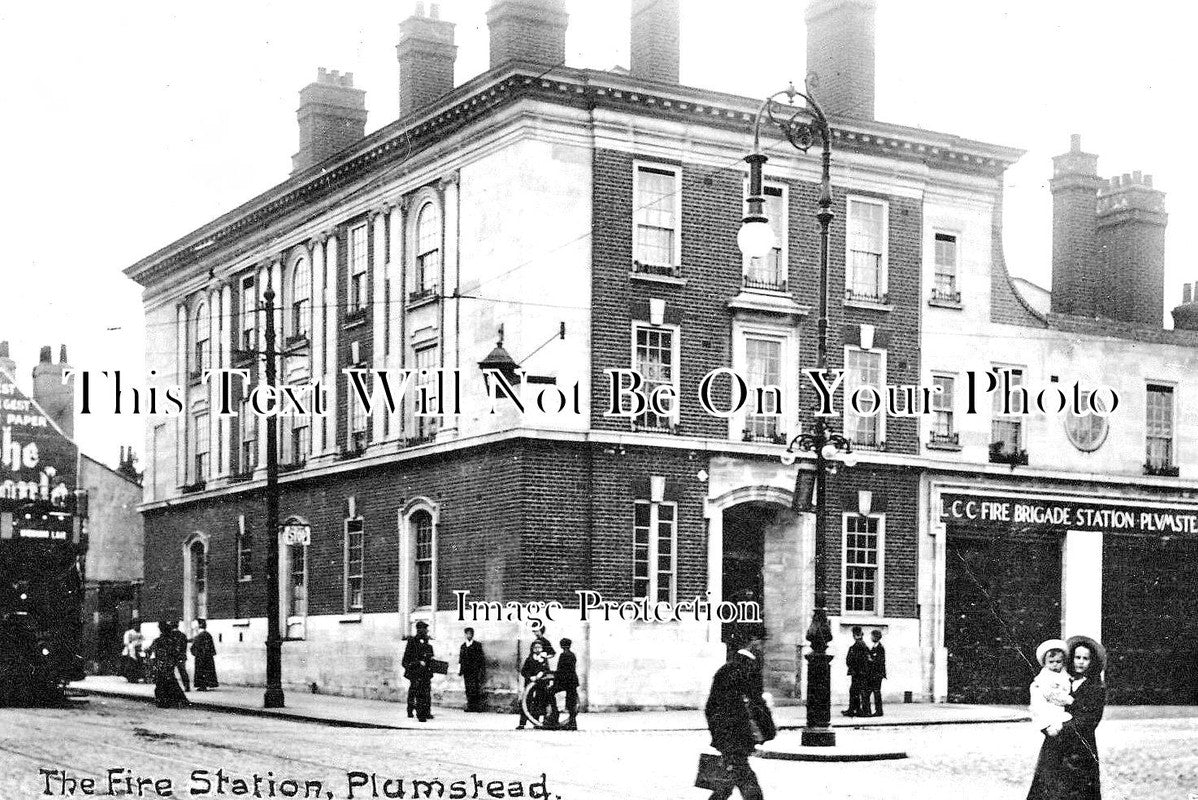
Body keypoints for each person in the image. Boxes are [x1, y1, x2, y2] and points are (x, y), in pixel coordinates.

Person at [1027, 635, 1107, 800]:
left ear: (1092, 662)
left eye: (1086, 658)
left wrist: (1063, 727)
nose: (1080, 662)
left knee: (1077, 790)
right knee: (1049, 788)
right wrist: (1047, 726)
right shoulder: (1062, 679)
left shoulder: (1096, 687)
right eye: (1077, 657)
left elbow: (1090, 719)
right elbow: (1044, 704)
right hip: (1054, 745)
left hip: (1080, 748)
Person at [703, 632, 772, 800]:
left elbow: (710, 706)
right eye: (761, 643)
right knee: (746, 783)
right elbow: (757, 704)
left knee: (727, 783)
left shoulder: (725, 669)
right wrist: (768, 731)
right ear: (752, 642)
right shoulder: (750, 668)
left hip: (726, 737)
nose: (762, 648)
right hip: (740, 737)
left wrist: (717, 733)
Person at [1029, 638, 1072, 734]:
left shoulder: (1064, 674)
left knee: (1061, 717)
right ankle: (1051, 727)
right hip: (1050, 702)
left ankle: (1056, 727)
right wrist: (1066, 699)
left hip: (1060, 703)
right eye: (1051, 662)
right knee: (1048, 715)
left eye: (1058, 661)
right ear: (1045, 662)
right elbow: (1047, 692)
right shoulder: (1045, 675)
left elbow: (1067, 684)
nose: (1055, 665)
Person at [146, 621, 188, 708]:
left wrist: (152, 661)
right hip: (169, 664)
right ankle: (177, 700)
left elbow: (149, 651)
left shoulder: (157, 641)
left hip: (160, 664)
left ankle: (163, 701)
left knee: (161, 682)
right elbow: (175, 653)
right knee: (170, 681)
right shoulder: (171, 641)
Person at [402, 621, 435, 722]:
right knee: (414, 692)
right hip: (415, 673)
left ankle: (426, 712)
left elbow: (429, 657)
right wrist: (418, 663)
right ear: (419, 630)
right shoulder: (412, 642)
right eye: (424, 630)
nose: (426, 632)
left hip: (425, 673)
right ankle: (411, 710)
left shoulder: (427, 643)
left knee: (426, 692)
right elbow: (406, 660)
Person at [516, 640, 553, 730]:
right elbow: (523, 671)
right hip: (530, 683)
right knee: (526, 701)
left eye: (539, 648)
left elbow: (547, 670)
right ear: (532, 649)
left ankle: (537, 722)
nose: (537, 649)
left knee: (539, 702)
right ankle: (522, 723)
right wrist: (530, 677)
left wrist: (541, 673)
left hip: (541, 683)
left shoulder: (544, 659)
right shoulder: (529, 659)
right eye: (535, 648)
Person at [843, 626, 870, 717]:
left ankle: (859, 710)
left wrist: (853, 667)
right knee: (855, 691)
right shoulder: (860, 645)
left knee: (857, 691)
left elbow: (857, 660)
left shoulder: (859, 645)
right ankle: (855, 709)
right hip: (858, 672)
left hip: (858, 673)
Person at [459, 627, 486, 712]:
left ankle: (477, 706)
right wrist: (460, 671)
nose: (469, 635)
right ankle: (470, 705)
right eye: (467, 634)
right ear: (465, 635)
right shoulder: (463, 646)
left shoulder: (477, 645)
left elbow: (481, 658)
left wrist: (481, 670)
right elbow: (461, 659)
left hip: (475, 670)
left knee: (476, 688)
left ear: (473, 635)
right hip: (466, 671)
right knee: (468, 688)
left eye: (470, 634)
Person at [555, 637, 579, 730]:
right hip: (572, 680)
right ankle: (572, 723)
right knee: (571, 702)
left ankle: (554, 715)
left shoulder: (563, 655)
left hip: (565, 681)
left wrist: (556, 679)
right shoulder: (573, 655)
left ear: (561, 646)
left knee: (550, 692)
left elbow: (560, 670)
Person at [191, 619, 218, 691]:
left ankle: (203, 685)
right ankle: (207, 684)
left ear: (199, 626)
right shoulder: (207, 635)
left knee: (201, 670)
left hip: (201, 657)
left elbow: (195, 647)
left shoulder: (200, 636)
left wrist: (195, 652)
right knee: (207, 670)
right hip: (207, 656)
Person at [866, 629, 887, 717]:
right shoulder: (875, 647)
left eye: (872, 636)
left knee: (876, 692)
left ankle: (878, 711)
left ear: (875, 637)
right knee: (873, 692)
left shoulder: (880, 648)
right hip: (874, 674)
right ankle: (874, 710)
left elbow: (880, 661)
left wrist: (870, 660)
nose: (871, 637)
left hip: (877, 674)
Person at [166, 620, 190, 692]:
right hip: (181, 656)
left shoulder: (169, 635)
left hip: (172, 656)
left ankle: (170, 688)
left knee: (170, 672)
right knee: (183, 671)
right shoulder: (182, 635)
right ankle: (187, 686)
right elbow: (185, 646)